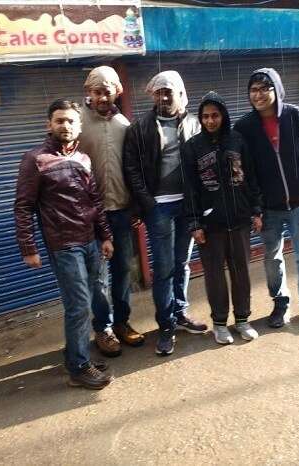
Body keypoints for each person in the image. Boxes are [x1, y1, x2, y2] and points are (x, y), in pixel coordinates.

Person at [14, 99, 114, 389]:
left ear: (80, 125)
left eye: (71, 121)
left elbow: (94, 201)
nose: (65, 126)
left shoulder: (83, 158)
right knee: (78, 305)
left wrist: (105, 235)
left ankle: (76, 353)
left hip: (90, 242)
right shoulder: (35, 160)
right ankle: (79, 368)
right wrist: (28, 248)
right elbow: (23, 207)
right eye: (60, 120)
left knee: (94, 297)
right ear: (49, 124)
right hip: (64, 245)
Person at [122, 70, 208, 356]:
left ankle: (180, 313)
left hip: (187, 204)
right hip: (159, 207)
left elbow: (203, 163)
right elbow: (131, 169)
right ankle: (166, 325)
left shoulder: (194, 124)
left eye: (168, 91)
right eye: (158, 92)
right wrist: (147, 202)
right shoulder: (140, 128)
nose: (162, 97)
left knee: (182, 263)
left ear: (180, 93)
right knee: (163, 268)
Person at [233, 68, 299, 330]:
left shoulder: (296, 116)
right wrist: (255, 207)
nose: (259, 94)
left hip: (298, 202)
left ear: (277, 88)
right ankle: (280, 303)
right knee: (272, 258)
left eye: (265, 88)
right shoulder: (244, 127)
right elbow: (245, 172)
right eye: (254, 90)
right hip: (268, 208)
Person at [182, 92, 263, 345]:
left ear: (223, 116)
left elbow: (251, 178)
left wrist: (256, 210)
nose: (210, 121)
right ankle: (219, 323)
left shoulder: (237, 140)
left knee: (241, 273)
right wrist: (195, 222)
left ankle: (242, 320)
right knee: (214, 275)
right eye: (205, 116)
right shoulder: (192, 147)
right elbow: (190, 188)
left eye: (215, 115)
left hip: (239, 220)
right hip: (211, 224)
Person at [79, 66, 145, 358]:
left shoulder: (124, 124)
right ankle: (102, 328)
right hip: (90, 214)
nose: (103, 96)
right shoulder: (77, 122)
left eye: (108, 90)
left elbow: (135, 168)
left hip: (120, 211)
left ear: (118, 91)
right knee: (96, 276)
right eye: (97, 91)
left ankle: (121, 323)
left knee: (122, 271)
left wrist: (137, 205)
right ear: (88, 92)